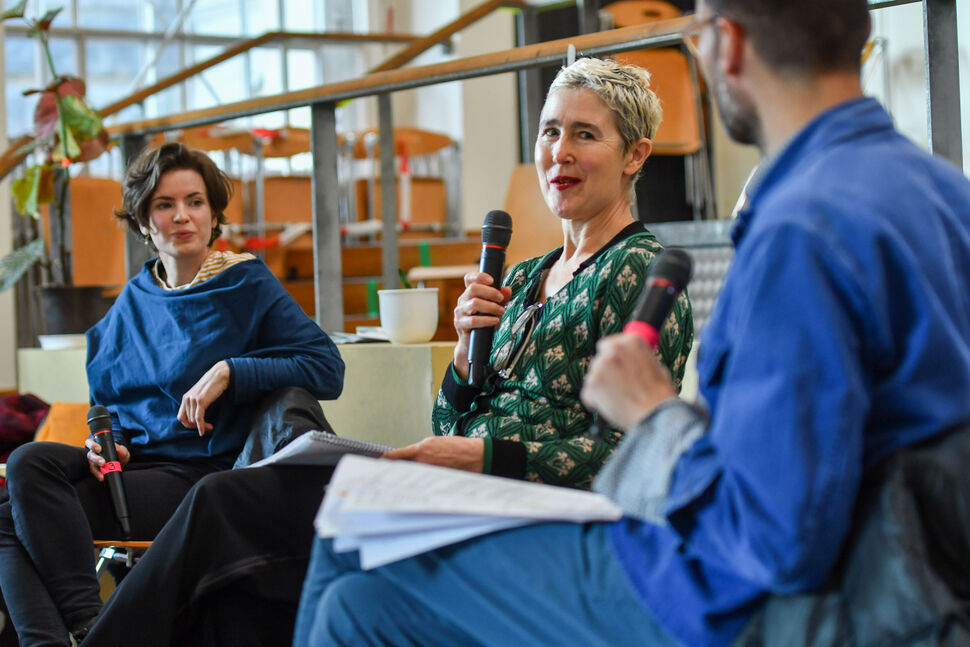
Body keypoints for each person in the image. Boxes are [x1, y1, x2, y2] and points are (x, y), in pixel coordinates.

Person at [291, 0, 970, 645]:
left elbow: (772, 535)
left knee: (355, 572)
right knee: (355, 586)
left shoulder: (800, 229)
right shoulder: (945, 196)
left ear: (726, 44)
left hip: (759, 601)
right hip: (903, 577)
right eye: (551, 130)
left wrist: (652, 415)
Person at [79, 57, 694, 646]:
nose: (558, 152)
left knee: (227, 504)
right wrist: (459, 362)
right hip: (455, 491)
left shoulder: (635, 271)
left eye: (584, 135)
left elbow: (627, 457)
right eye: (549, 131)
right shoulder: (527, 273)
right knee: (247, 548)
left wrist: (485, 457)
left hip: (536, 514)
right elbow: (448, 423)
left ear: (634, 154)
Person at [0, 142, 345, 647]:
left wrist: (231, 370)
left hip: (198, 478)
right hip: (129, 471)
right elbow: (107, 406)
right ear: (144, 222)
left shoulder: (245, 282)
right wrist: (106, 442)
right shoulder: (127, 307)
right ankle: (84, 629)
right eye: (165, 205)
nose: (182, 216)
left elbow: (326, 368)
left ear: (213, 215)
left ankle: (83, 632)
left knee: (9, 520)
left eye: (195, 202)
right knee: (28, 462)